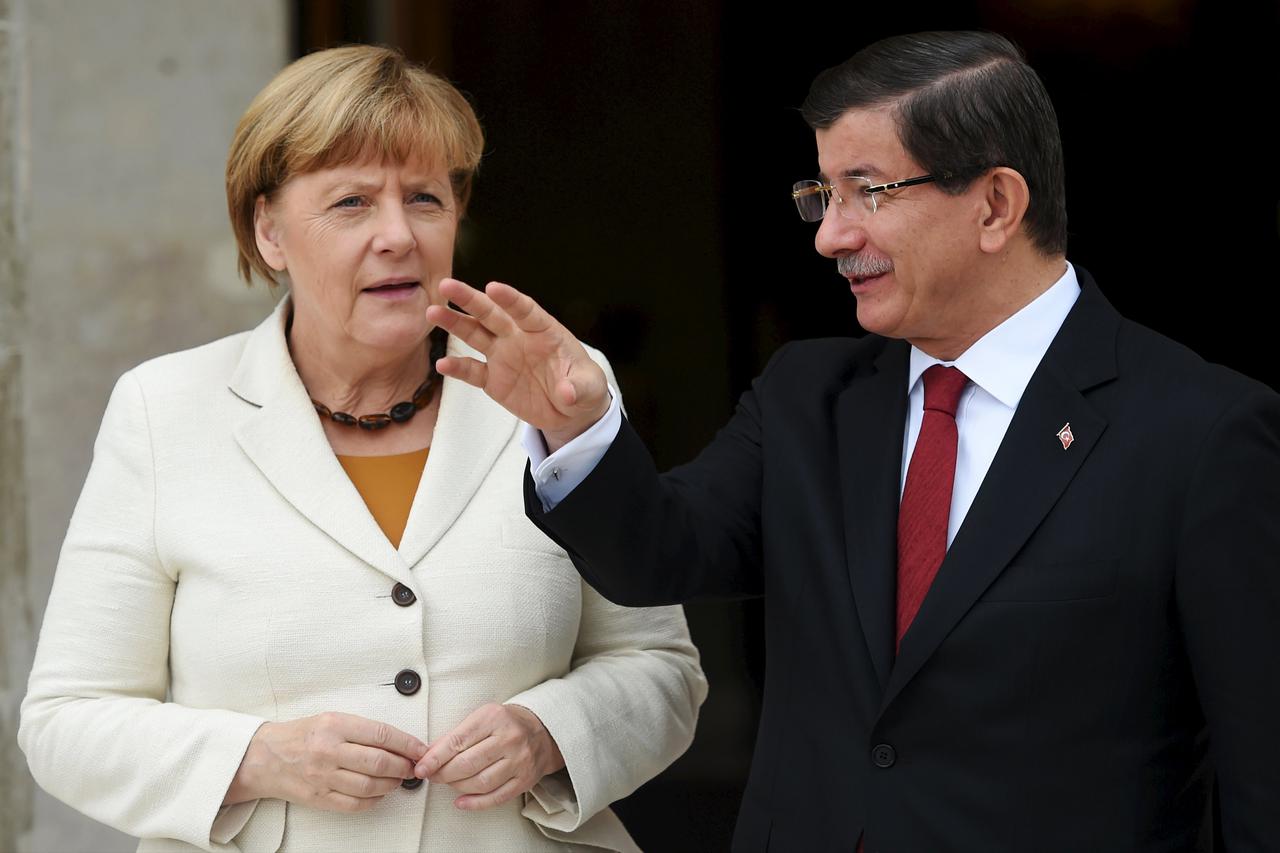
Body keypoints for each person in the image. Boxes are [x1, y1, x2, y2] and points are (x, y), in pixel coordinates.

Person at [424, 30, 1280, 853]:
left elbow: (1261, 774)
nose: (831, 234)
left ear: (995, 205)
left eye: (867, 191)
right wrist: (575, 425)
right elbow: (661, 553)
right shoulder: (809, 397)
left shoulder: (1199, 433)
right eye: (823, 195)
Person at [19, 45, 705, 853]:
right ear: (268, 229)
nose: (396, 236)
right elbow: (66, 720)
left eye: (424, 197)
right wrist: (257, 758)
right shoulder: (162, 411)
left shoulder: (561, 388)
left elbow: (663, 669)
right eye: (350, 202)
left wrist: (549, 732)